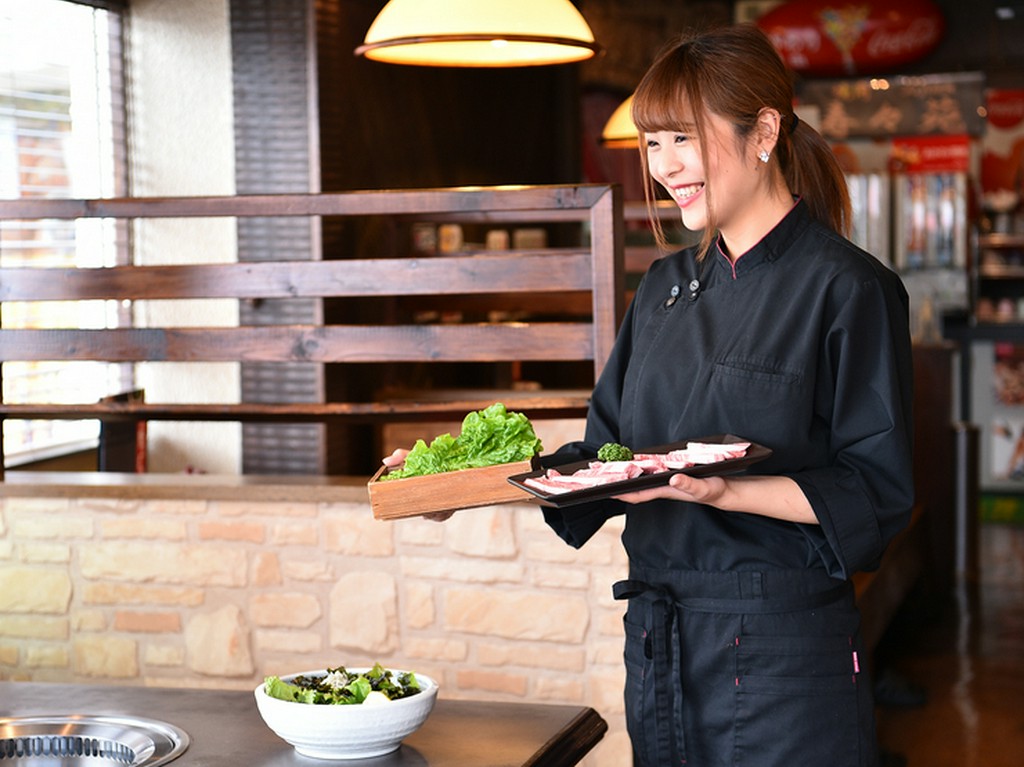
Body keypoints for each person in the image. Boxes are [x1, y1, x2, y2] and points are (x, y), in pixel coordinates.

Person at [384, 23, 914, 767]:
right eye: (652, 143)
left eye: (682, 140)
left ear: (764, 131)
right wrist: (452, 485)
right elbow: (604, 459)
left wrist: (731, 492)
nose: (664, 166)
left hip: (786, 663)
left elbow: (877, 491)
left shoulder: (849, 289)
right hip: (661, 650)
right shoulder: (663, 288)